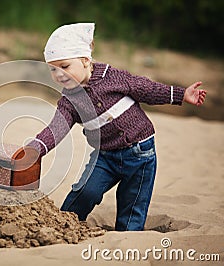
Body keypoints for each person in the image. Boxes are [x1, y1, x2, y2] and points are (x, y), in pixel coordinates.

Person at [27, 22, 206, 231]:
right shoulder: (69, 101)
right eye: (52, 69)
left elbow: (146, 88)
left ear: (85, 60)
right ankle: (62, 226)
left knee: (132, 206)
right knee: (85, 192)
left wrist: (180, 94)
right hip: (104, 156)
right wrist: (36, 147)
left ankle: (128, 239)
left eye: (65, 66)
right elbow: (56, 128)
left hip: (141, 154)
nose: (59, 75)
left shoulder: (113, 78)